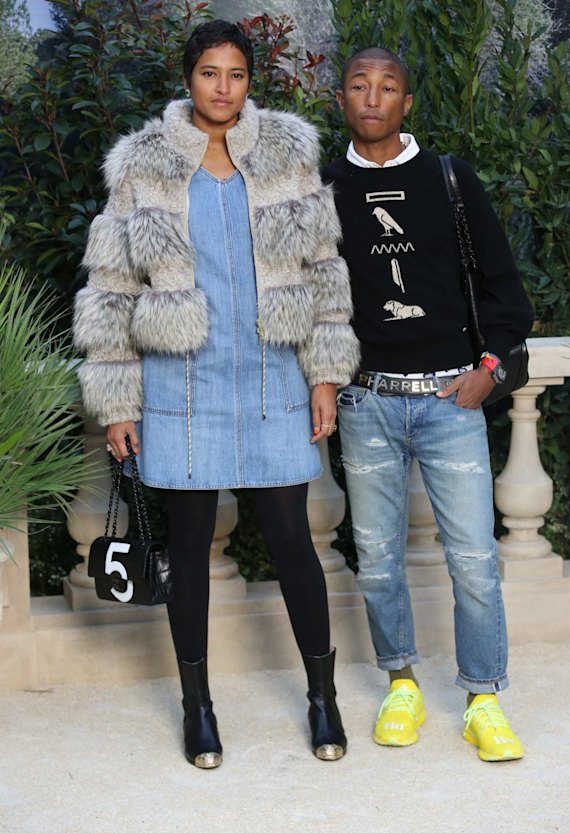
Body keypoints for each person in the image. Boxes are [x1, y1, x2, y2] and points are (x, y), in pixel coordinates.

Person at [74, 20, 360, 768]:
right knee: (190, 548)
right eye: (209, 72)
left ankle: (322, 697)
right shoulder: (143, 167)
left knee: (293, 539)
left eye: (235, 74)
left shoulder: (288, 155)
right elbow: (110, 290)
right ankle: (197, 707)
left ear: (249, 81)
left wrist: (325, 374)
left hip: (272, 378)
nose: (223, 88)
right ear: (188, 79)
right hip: (183, 385)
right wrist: (118, 404)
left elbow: (325, 270)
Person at [322, 48, 534, 762]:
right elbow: (312, 300)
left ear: (406, 102)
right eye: (359, 86)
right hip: (368, 402)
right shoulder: (323, 189)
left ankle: (483, 699)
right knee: (378, 559)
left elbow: (506, 292)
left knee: (474, 559)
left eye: (387, 87)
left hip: (451, 402)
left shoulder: (449, 178)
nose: (372, 98)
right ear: (341, 99)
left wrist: (488, 371)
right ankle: (402, 684)